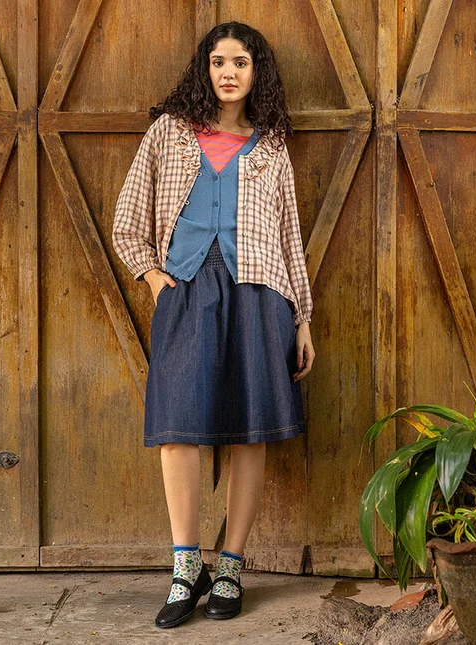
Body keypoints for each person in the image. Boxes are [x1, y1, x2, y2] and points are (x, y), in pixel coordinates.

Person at [112, 20, 315, 629]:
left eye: (242, 62)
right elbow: (128, 216)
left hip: (260, 294)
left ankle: (229, 566)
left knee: (249, 429)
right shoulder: (168, 135)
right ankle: (185, 566)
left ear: (258, 73)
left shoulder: (272, 144)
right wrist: (151, 276)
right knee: (178, 426)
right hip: (186, 289)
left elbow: (289, 237)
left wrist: (302, 318)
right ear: (205, 69)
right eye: (219, 61)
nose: (229, 72)